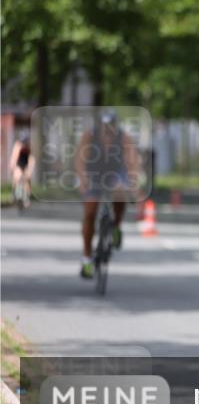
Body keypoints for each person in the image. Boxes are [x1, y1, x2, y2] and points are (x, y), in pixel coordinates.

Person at [76, 110, 141, 279]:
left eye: (110, 126)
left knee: (120, 191)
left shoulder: (124, 138)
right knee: (90, 212)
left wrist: (134, 184)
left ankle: (116, 226)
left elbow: (132, 161)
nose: (107, 131)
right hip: (94, 173)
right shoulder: (89, 136)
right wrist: (83, 179)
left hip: (115, 173)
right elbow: (80, 160)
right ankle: (87, 259)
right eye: (104, 126)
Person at [9, 129, 34, 206]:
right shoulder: (18, 145)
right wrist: (13, 166)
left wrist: (30, 169)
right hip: (18, 164)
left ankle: (27, 197)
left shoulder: (29, 146)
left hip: (25, 164)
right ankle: (13, 194)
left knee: (27, 180)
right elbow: (14, 156)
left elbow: (31, 158)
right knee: (16, 177)